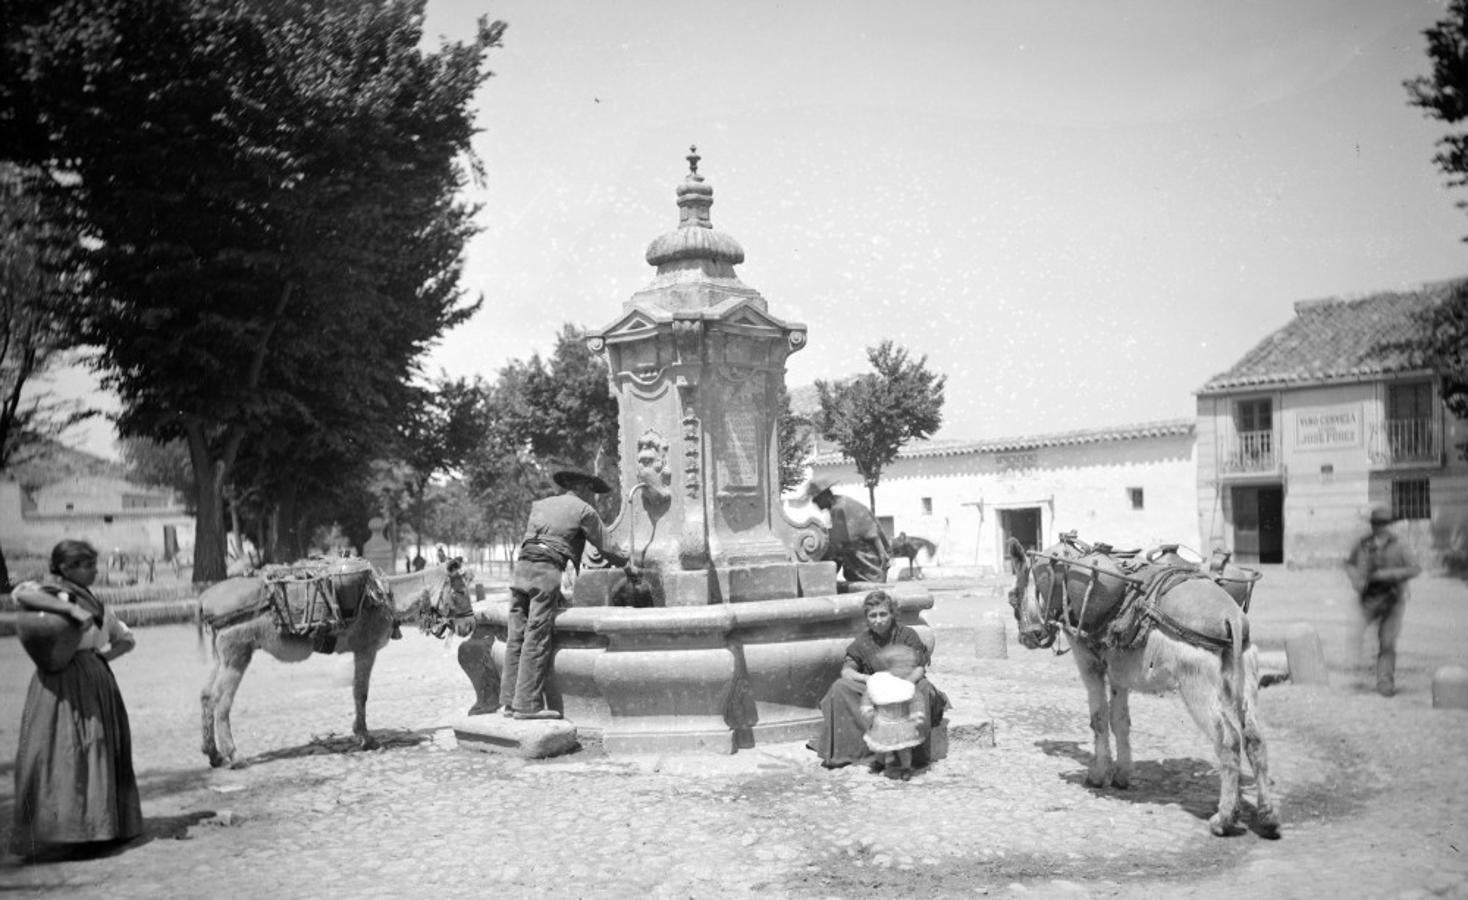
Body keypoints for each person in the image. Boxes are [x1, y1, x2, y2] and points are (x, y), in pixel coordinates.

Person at [11, 539, 143, 860]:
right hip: (59, 681)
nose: (95, 571)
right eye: (87, 566)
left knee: (95, 746)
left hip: (90, 678)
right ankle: (61, 829)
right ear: (66, 568)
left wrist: (98, 661)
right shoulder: (55, 593)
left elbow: (125, 639)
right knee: (62, 749)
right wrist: (69, 608)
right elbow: (20, 594)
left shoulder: (97, 604)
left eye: (94, 565)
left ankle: (98, 828)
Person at [500, 468, 629, 720]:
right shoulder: (585, 510)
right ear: (583, 489)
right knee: (537, 634)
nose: (594, 497)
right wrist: (630, 560)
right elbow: (608, 550)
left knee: (516, 633)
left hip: (521, 569)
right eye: (592, 492)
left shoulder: (540, 504)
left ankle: (508, 702)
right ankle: (527, 705)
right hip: (546, 571)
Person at [808, 589, 948, 771]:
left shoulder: (907, 635)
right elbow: (847, 671)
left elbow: (919, 668)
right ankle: (854, 751)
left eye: (883, 614)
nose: (878, 620)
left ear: (892, 614)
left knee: (923, 688)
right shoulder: (862, 641)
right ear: (866, 618)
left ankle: (913, 753)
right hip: (876, 691)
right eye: (873, 615)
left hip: (905, 690)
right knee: (840, 687)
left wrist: (901, 686)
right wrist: (871, 680)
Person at [1344, 505, 1422, 697]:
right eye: (1374, 523)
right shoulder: (1363, 544)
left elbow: (1415, 568)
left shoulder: (1400, 545)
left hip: (1393, 600)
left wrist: (1388, 574)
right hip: (1369, 599)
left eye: (1381, 523)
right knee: (1356, 634)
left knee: (1387, 643)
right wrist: (1356, 579)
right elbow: (1349, 563)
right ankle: (1355, 672)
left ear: (1388, 525)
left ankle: (1385, 684)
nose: (1377, 527)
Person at [807, 474, 892, 583]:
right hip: (859, 563)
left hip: (867, 564)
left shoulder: (840, 508)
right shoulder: (838, 505)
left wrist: (882, 553)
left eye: (816, 499)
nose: (815, 504)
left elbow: (868, 531)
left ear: (825, 496)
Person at [860, 646, 927, 781]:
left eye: (908, 666)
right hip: (882, 721)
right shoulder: (879, 681)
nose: (906, 670)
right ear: (890, 665)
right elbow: (869, 694)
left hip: (902, 722)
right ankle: (880, 763)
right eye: (901, 666)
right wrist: (867, 707)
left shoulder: (906, 685)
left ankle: (906, 767)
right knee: (880, 747)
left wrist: (917, 714)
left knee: (904, 749)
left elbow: (916, 699)